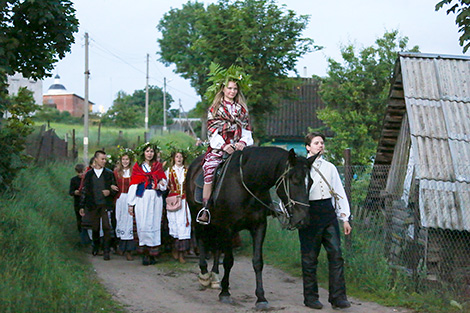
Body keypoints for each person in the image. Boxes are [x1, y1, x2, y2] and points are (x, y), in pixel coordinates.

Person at [300, 132, 352, 310]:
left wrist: (344, 218)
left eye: (322, 143)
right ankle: (311, 298)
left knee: (336, 254)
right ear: (308, 146)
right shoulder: (301, 167)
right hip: (310, 214)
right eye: (316, 143)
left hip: (328, 214)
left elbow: (338, 192)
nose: (320, 145)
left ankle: (338, 298)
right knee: (309, 258)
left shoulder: (330, 167)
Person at [197, 63, 254, 224]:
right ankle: (206, 207)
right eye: (229, 88)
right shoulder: (215, 109)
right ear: (223, 89)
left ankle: (258, 206)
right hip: (220, 147)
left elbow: (247, 129)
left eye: (235, 89)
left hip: (239, 147)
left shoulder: (242, 109)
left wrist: (242, 142)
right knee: (210, 168)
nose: (232, 91)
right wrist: (224, 146)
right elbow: (212, 130)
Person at [127, 143, 167, 266]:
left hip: (155, 198)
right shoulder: (138, 167)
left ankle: (153, 253)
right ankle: (144, 253)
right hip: (142, 198)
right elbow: (134, 184)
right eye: (147, 151)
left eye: (151, 151)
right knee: (142, 224)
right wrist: (130, 203)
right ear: (143, 153)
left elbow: (164, 183)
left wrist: (159, 185)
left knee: (154, 224)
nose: (149, 154)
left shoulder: (158, 167)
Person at [79, 150, 117, 261]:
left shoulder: (109, 173)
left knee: (106, 226)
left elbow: (115, 188)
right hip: (93, 204)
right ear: (96, 159)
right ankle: (96, 246)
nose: (104, 161)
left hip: (105, 204)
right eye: (102, 159)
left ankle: (106, 251)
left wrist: (110, 192)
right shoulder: (89, 174)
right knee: (95, 227)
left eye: (105, 159)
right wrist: (82, 205)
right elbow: (85, 190)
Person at [165, 151, 191, 263]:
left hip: (184, 200)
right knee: (174, 224)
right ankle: (175, 250)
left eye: (181, 157)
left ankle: (182, 252)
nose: (179, 159)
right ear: (174, 158)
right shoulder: (169, 171)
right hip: (173, 201)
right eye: (177, 157)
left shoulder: (187, 171)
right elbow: (164, 185)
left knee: (184, 225)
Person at [113, 150, 136, 261]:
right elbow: (111, 182)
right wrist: (112, 186)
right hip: (120, 199)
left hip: (130, 198)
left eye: (127, 159)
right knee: (121, 221)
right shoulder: (117, 172)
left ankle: (129, 250)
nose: (125, 161)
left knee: (130, 223)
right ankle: (121, 247)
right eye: (123, 159)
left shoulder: (134, 172)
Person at [69, 163, 89, 245]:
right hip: (77, 202)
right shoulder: (74, 180)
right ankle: (82, 238)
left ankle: (88, 238)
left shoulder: (88, 179)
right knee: (79, 220)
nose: (81, 174)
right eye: (79, 172)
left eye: (82, 172)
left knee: (87, 220)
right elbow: (70, 192)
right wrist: (75, 192)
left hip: (86, 203)